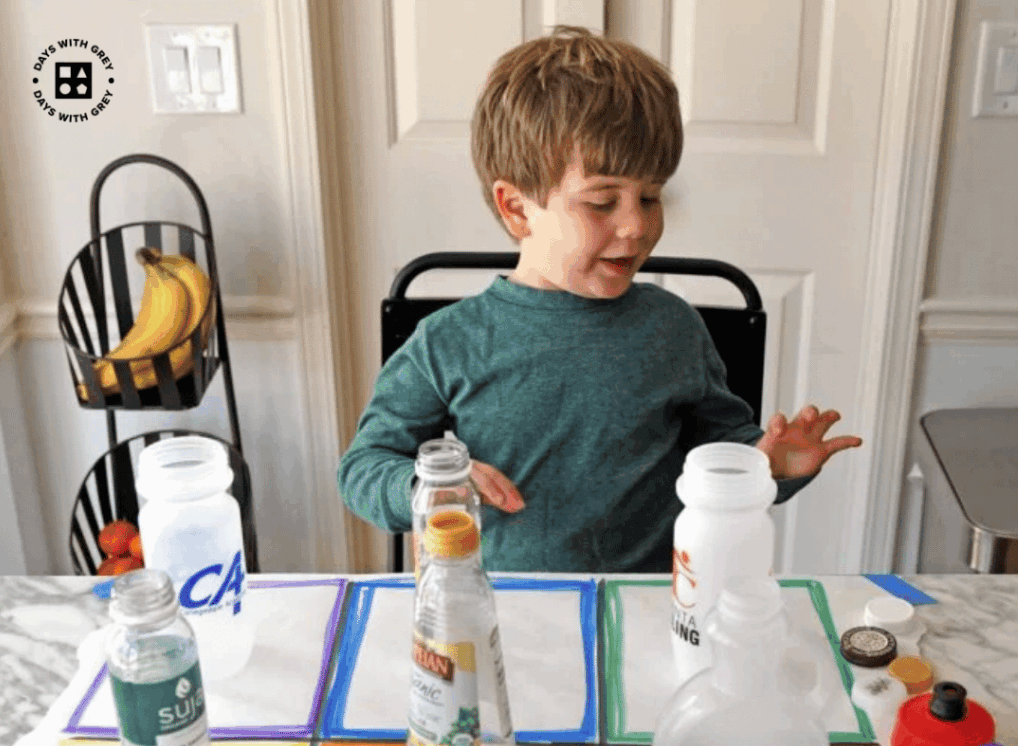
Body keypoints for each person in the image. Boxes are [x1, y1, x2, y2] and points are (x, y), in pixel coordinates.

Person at [337, 26, 862, 572]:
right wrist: (428, 487)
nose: (637, 226)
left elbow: (725, 443)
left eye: (651, 197)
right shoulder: (449, 343)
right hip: (507, 613)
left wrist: (768, 466)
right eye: (602, 202)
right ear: (516, 207)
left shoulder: (674, 327)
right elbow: (363, 469)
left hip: (655, 606)